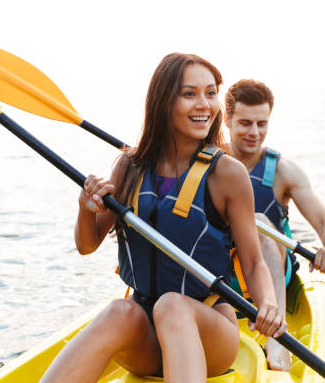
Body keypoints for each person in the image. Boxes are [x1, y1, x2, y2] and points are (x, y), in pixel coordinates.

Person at [41, 55, 286, 383]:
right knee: (118, 310)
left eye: (211, 93)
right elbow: (86, 246)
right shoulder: (130, 166)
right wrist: (86, 207)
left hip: (210, 331)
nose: (204, 105)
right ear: (163, 101)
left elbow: (254, 262)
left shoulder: (228, 173)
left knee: (173, 304)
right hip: (146, 334)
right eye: (189, 94)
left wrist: (268, 303)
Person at [224, 79, 325, 371]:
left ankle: (276, 336)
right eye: (245, 123)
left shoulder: (283, 171)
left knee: (259, 221)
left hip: (272, 266)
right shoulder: (209, 161)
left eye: (262, 124)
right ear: (226, 120)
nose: (255, 132)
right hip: (225, 268)